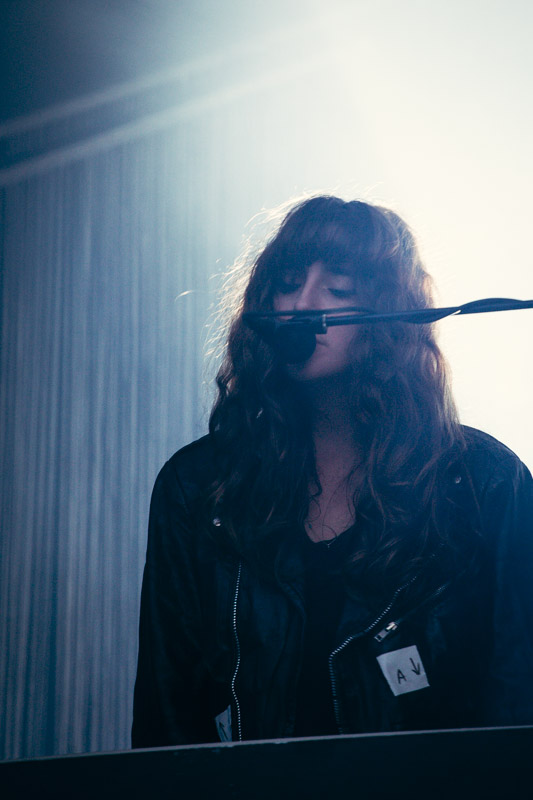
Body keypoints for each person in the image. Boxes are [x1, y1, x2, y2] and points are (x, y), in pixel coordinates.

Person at [132, 195, 533, 748]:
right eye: (288, 283)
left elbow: (517, 698)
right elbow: (166, 711)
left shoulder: (485, 484)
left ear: (391, 313)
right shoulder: (198, 487)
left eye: (339, 288)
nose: (303, 304)